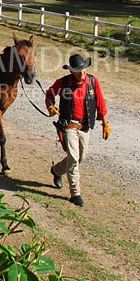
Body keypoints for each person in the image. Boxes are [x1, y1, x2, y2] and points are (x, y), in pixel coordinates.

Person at [45, 54, 110, 207]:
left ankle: (57, 171)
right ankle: (75, 194)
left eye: (83, 69)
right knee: (73, 158)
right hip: (69, 126)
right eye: (78, 70)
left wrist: (105, 124)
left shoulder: (93, 82)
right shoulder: (63, 83)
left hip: (85, 127)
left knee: (81, 157)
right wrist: (50, 105)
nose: (82, 72)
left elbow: (100, 104)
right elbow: (49, 94)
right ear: (71, 71)